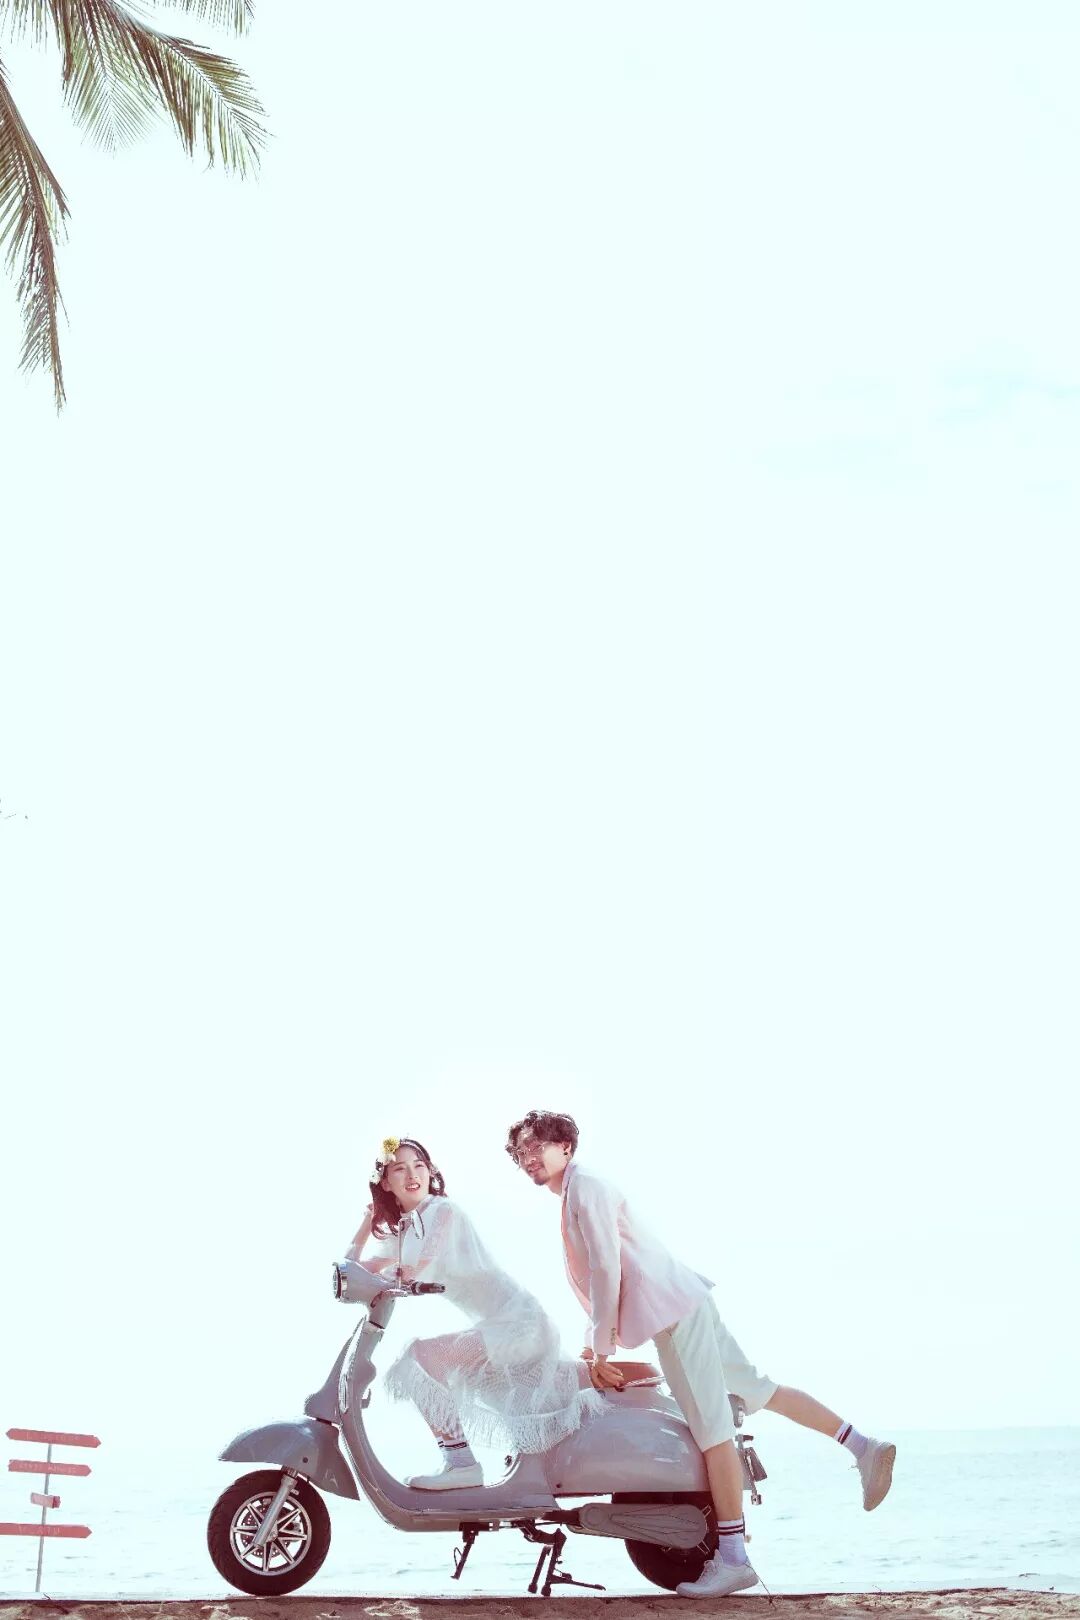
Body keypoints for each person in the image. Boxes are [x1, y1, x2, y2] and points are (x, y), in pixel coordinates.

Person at [505, 1109, 896, 1598]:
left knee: (713, 1431)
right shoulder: (579, 1189)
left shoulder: (585, 1188)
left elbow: (607, 1267)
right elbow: (609, 1271)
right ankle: (863, 1447)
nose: (527, 1157)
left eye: (536, 1145)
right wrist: (595, 1338)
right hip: (683, 1301)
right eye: (519, 1152)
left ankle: (733, 1559)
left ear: (565, 1146)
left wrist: (601, 1347)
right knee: (758, 1389)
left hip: (672, 1314)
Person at [345, 1135, 606, 1490]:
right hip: (500, 1325)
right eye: (400, 1169)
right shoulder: (406, 1228)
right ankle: (460, 1463)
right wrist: (367, 1222)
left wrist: (398, 1275)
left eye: (419, 1166)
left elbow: (424, 1261)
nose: (412, 1175)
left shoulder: (443, 1211)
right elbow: (351, 1268)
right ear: (386, 1183)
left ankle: (461, 1464)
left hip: (520, 1322)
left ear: (431, 1171)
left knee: (420, 1357)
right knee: (424, 1359)